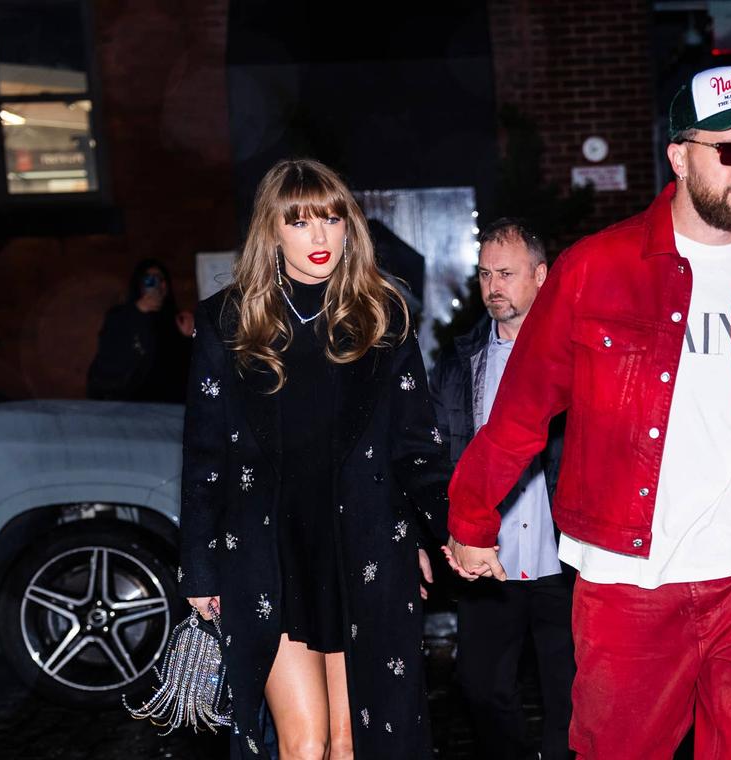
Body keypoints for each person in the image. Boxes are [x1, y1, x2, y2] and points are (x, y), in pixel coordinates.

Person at [444, 65, 731, 759]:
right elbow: (521, 408)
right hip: (628, 582)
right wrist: (471, 517)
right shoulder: (595, 270)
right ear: (679, 157)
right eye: (729, 149)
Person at [178, 158, 451, 760]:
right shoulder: (228, 321)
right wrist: (198, 567)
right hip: (269, 554)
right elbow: (204, 456)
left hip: (362, 549)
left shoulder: (383, 317)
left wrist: (446, 530)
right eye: (299, 222)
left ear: (350, 225)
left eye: (331, 218)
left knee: (352, 742)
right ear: (272, 231)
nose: (319, 235)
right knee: (304, 744)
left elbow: (415, 446)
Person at [429, 218, 573, 760]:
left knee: (571, 695)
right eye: (485, 274)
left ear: (541, 275)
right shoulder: (460, 362)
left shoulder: (576, 355)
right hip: (490, 560)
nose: (493, 286)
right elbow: (439, 455)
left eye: (506, 274)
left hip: (565, 558)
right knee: (481, 687)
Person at [86, 258, 194, 402]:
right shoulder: (121, 316)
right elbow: (112, 354)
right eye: (150, 279)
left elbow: (186, 366)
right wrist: (138, 311)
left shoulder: (178, 320)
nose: (156, 284)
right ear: (139, 284)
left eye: (161, 279)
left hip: (170, 404)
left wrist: (190, 336)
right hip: (129, 403)